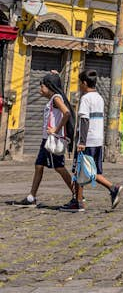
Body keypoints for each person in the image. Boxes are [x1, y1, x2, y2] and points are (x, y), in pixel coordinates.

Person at [60, 70, 123, 212]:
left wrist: (81, 141)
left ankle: (80, 201)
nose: (79, 86)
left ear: (84, 83)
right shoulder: (99, 98)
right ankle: (84, 199)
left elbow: (84, 120)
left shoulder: (86, 98)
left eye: (79, 83)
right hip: (97, 140)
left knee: (78, 171)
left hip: (87, 140)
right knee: (91, 171)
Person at [13, 73, 74, 206]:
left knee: (59, 168)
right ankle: (31, 197)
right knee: (39, 165)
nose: (40, 89)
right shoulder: (53, 98)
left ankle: (78, 196)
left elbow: (67, 113)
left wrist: (56, 130)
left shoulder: (56, 98)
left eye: (42, 86)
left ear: (50, 87)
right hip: (46, 140)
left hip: (52, 140)